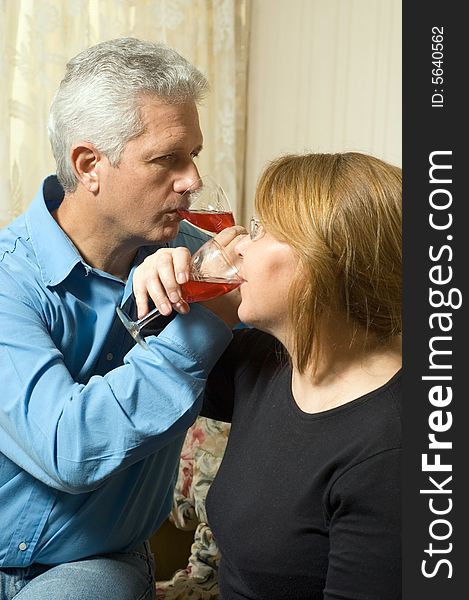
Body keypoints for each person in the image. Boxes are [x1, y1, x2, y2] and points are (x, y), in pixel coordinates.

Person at [0, 38, 239, 600]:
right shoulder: (9, 278)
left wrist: (217, 296)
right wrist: (197, 328)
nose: (192, 180)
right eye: (167, 159)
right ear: (89, 166)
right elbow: (68, 448)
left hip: (94, 565)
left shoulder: (205, 270)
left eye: (194, 154)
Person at [141, 152, 402, 599]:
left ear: (322, 264)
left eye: (260, 230)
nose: (237, 243)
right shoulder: (265, 363)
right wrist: (154, 281)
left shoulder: (390, 454)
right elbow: (147, 371)